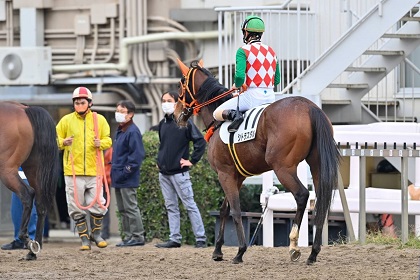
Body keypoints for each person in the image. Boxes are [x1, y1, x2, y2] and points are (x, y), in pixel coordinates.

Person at [56, 86, 112, 251]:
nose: (79, 104)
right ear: (73, 104)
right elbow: (55, 139)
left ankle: (97, 235)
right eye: (77, 102)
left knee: (99, 204)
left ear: (90, 103)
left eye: (82, 102)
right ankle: (84, 239)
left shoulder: (100, 120)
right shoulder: (66, 120)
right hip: (73, 171)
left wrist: (100, 143)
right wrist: (62, 142)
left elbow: (108, 139)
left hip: (95, 170)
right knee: (75, 205)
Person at [155, 91, 207, 248]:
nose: (165, 103)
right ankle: (175, 238)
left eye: (168, 100)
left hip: (179, 173)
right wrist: (160, 161)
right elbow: (163, 145)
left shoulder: (185, 122)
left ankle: (201, 239)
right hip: (164, 174)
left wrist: (192, 161)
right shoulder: (162, 124)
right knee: (171, 207)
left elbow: (200, 142)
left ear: (177, 102)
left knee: (189, 204)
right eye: (163, 100)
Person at [213, 15, 280, 132]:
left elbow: (239, 76)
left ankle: (236, 117)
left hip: (252, 97)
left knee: (216, 113)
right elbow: (277, 80)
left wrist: (237, 85)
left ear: (246, 32)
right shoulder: (271, 51)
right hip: (270, 97)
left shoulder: (243, 50)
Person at [111, 100, 146, 247]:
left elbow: (136, 156)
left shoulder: (132, 131)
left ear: (131, 114)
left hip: (127, 177)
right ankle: (127, 236)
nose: (118, 113)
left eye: (122, 111)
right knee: (123, 209)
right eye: (117, 110)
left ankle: (137, 236)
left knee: (131, 207)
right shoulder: (121, 130)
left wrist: (126, 171)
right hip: (118, 176)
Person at [1, 167, 37, 250]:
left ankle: (31, 239)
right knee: (16, 206)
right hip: (16, 169)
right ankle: (19, 239)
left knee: (28, 202)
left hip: (30, 168)